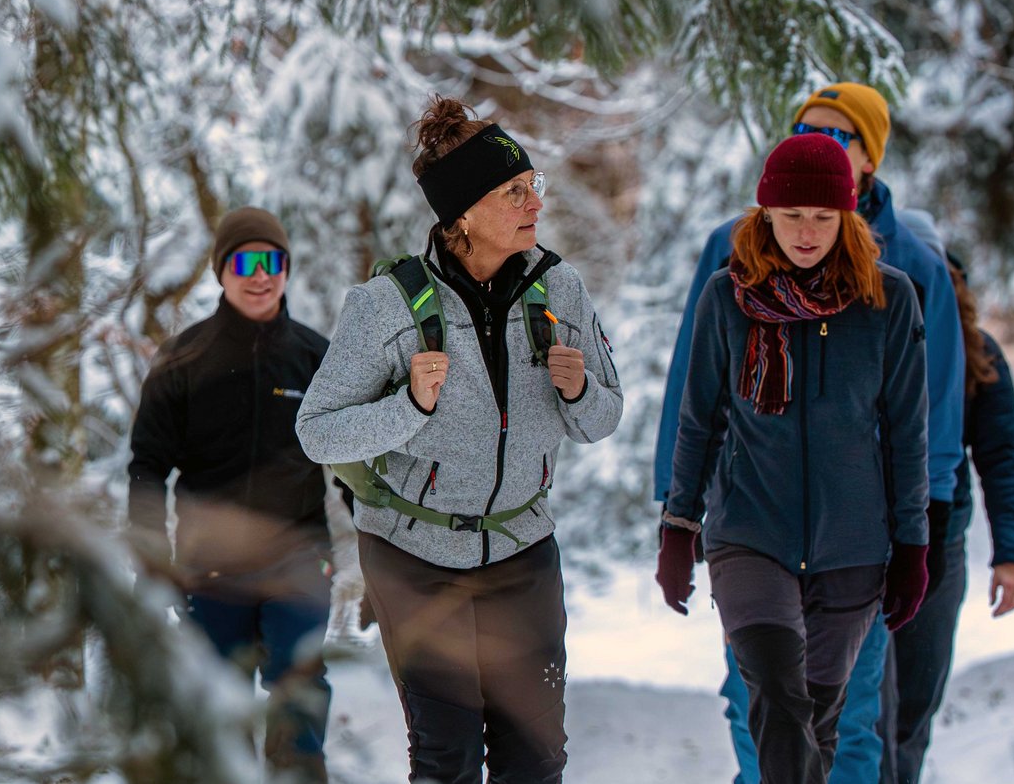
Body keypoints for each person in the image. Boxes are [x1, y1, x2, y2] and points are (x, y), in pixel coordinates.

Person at [295, 96, 622, 784]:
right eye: (514, 192)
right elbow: (317, 430)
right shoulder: (386, 306)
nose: (535, 202)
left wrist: (578, 392)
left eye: (533, 184)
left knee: (536, 760)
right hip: (416, 561)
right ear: (463, 215)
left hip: (523, 552)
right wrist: (409, 406)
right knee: (448, 762)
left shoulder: (559, 289)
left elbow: (603, 418)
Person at [651, 82, 966, 784]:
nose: (805, 231)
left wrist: (917, 538)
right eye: (790, 215)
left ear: (849, 210)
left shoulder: (894, 291)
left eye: (822, 217)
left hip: (853, 542)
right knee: (770, 696)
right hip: (750, 532)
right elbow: (697, 410)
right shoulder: (728, 288)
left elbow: (913, 427)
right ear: (765, 211)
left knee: (829, 723)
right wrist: (678, 519)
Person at [126, 207, 334, 782]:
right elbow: (147, 467)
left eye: (272, 261)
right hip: (210, 567)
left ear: (286, 267)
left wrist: (384, 554)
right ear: (221, 271)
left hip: (300, 556)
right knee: (218, 705)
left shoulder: (317, 358)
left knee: (298, 687)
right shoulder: (182, 359)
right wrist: (151, 557)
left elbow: (352, 469)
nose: (260, 275)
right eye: (244, 263)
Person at [883, 252, 1014, 783]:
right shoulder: (869, 340)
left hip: (938, 544)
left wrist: (1011, 555)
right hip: (859, 543)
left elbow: (1003, 456)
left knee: (914, 700)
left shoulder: (977, 354)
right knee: (861, 705)